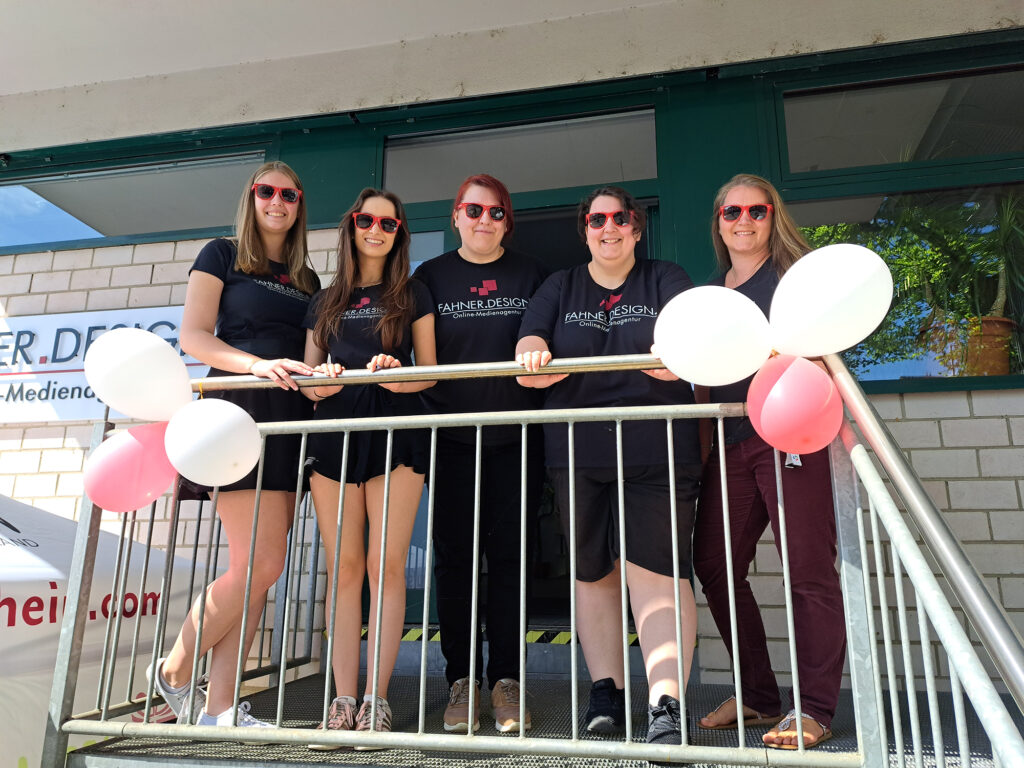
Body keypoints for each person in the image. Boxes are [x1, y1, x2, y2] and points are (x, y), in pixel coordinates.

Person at [516, 186, 701, 748]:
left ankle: (665, 704)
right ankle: (606, 693)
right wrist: (532, 359)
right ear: (586, 229)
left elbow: (691, 336)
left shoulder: (665, 277)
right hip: (578, 450)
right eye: (598, 220)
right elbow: (528, 347)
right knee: (592, 572)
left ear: (636, 228)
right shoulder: (560, 285)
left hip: (657, 445)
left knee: (657, 572)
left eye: (619, 218)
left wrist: (682, 355)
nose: (609, 228)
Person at [149, 161, 320, 729]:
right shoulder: (221, 254)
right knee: (260, 563)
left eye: (288, 194)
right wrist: (256, 365)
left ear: (299, 205)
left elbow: (312, 348)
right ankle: (174, 673)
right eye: (266, 191)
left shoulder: (308, 280)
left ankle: (220, 708)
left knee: (258, 569)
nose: (277, 201)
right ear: (251, 198)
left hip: (288, 416)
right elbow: (194, 335)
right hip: (237, 414)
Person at [692, 173, 845, 749]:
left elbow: (831, 352)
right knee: (714, 561)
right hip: (731, 441)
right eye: (732, 212)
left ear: (772, 216)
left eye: (756, 211)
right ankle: (757, 694)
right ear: (719, 221)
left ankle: (815, 708)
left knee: (806, 570)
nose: (744, 221)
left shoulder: (792, 280)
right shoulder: (714, 290)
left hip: (791, 438)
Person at [301, 188, 436, 749]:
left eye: (387, 222)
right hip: (334, 440)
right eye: (365, 220)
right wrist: (323, 381)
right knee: (346, 568)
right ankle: (342, 699)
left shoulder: (414, 293)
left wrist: (396, 371)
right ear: (351, 226)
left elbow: (431, 374)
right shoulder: (323, 299)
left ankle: (377, 700)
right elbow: (306, 386)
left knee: (386, 566)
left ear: (399, 231)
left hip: (395, 436)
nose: (375, 229)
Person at [413, 174, 548, 733]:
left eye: (495, 213)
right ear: (456, 217)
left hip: (517, 436)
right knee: (455, 562)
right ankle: (461, 680)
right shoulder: (429, 277)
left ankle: (506, 681)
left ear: (506, 221)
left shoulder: (533, 274)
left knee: (511, 559)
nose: (484, 220)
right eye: (474, 210)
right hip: (452, 439)